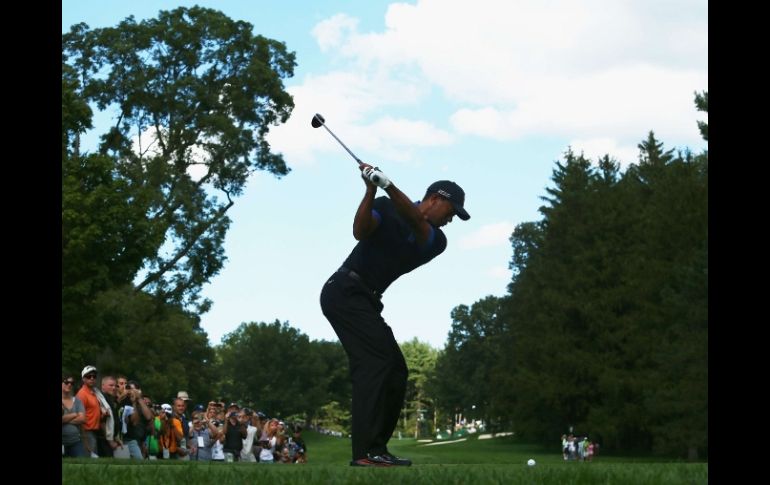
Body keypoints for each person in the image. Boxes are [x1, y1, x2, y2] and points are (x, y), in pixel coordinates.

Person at [320, 163, 470, 467]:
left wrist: (387, 184)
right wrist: (371, 189)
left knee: (396, 371)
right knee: (375, 363)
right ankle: (366, 453)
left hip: (366, 300)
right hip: (344, 291)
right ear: (434, 199)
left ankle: (377, 449)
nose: (451, 219)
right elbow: (359, 231)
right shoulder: (385, 207)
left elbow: (416, 223)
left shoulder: (436, 240)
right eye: (451, 211)